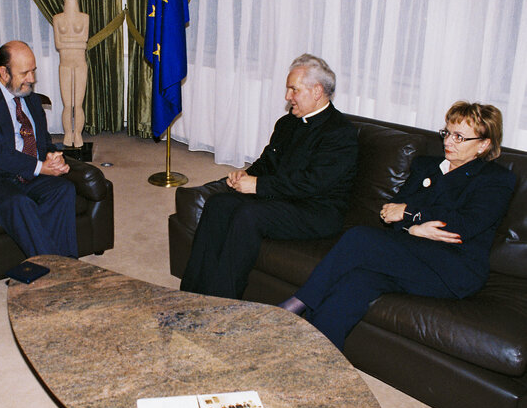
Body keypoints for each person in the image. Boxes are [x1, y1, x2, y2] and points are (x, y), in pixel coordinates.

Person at [279, 101, 516, 351]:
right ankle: (315, 356)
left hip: (451, 270)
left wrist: (410, 214)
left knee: (359, 237)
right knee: (357, 282)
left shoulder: (496, 180)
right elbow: (389, 211)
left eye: (459, 137)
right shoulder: (426, 166)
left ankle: (297, 303)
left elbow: (464, 224)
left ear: (483, 144)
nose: (448, 142)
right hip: (408, 256)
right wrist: (412, 228)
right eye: (447, 133)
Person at [180, 54, 359, 299]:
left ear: (317, 91)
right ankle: (191, 294)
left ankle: (222, 303)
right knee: (218, 204)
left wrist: (258, 185)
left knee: (249, 215)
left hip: (317, 211)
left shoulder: (340, 133)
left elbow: (313, 183)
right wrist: (246, 175)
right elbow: (267, 163)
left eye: (293, 90)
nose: (287, 97)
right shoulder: (287, 123)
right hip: (283, 199)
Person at [0, 41, 78, 258]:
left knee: (63, 190)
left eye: (33, 71)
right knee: (19, 203)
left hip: (27, 171)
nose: (31, 79)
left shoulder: (31, 99)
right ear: (4, 72)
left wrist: (53, 157)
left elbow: (44, 141)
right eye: (25, 73)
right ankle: (58, 274)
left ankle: (62, 265)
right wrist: (40, 167)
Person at [53, 0, 89, 148]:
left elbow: (82, 42)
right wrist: (73, 41)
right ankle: (68, 134)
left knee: (78, 104)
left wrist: (71, 42)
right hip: (65, 63)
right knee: (68, 104)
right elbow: (59, 44)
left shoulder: (85, 17)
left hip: (80, 64)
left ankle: (78, 134)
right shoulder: (57, 18)